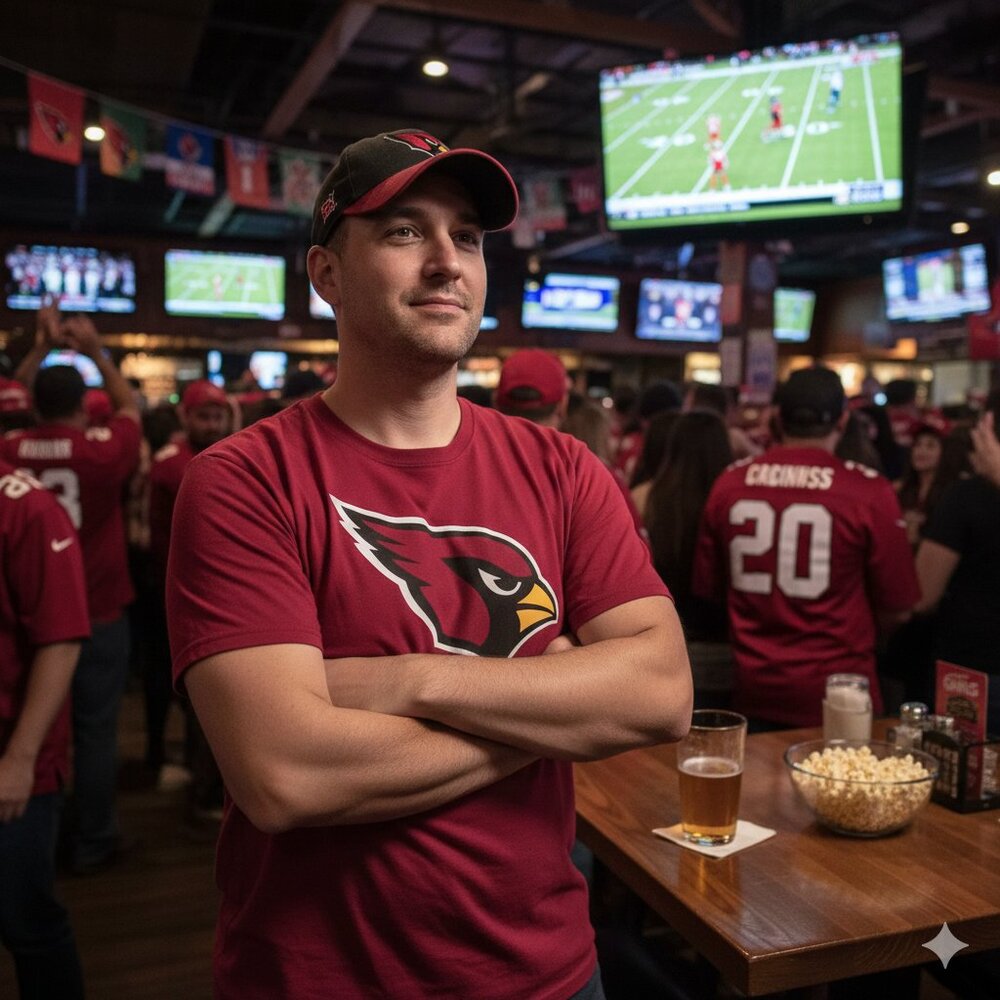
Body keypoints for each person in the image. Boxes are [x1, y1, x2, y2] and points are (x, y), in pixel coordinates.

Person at [166, 127, 692, 1000]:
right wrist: (555, 709)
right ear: (327, 274)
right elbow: (287, 774)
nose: (448, 261)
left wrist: (401, 681)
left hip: (551, 974)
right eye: (405, 231)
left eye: (469, 238)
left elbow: (661, 693)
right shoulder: (240, 480)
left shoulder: (562, 469)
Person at [692, 365, 919, 729]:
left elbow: (710, 587)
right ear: (844, 420)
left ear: (778, 417)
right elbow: (900, 606)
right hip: (840, 697)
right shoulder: (868, 490)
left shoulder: (732, 482)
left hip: (753, 687)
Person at [4, 306, 142, 875]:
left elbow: (12, 390)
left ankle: (45, 826)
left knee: (36, 724)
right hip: (102, 607)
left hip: (33, 617)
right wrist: (95, 350)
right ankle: (93, 839)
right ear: (85, 406)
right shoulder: (104, 449)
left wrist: (38, 349)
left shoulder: (9, 450)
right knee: (95, 730)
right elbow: (131, 407)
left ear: (34, 402)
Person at [0, 460, 89, 998]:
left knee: (26, 920)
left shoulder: (25, 506)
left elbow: (61, 637)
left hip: (13, 755)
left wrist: (19, 759)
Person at [147, 380, 231, 808]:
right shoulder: (178, 465)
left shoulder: (209, 459)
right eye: (205, 416)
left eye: (218, 417)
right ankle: (206, 792)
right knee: (200, 696)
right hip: (178, 592)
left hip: (208, 593)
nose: (213, 424)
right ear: (186, 418)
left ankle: (202, 783)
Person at [914, 396, 1000, 733]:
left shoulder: (968, 496)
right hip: (974, 672)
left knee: (969, 782)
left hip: (974, 674)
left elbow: (922, 596)